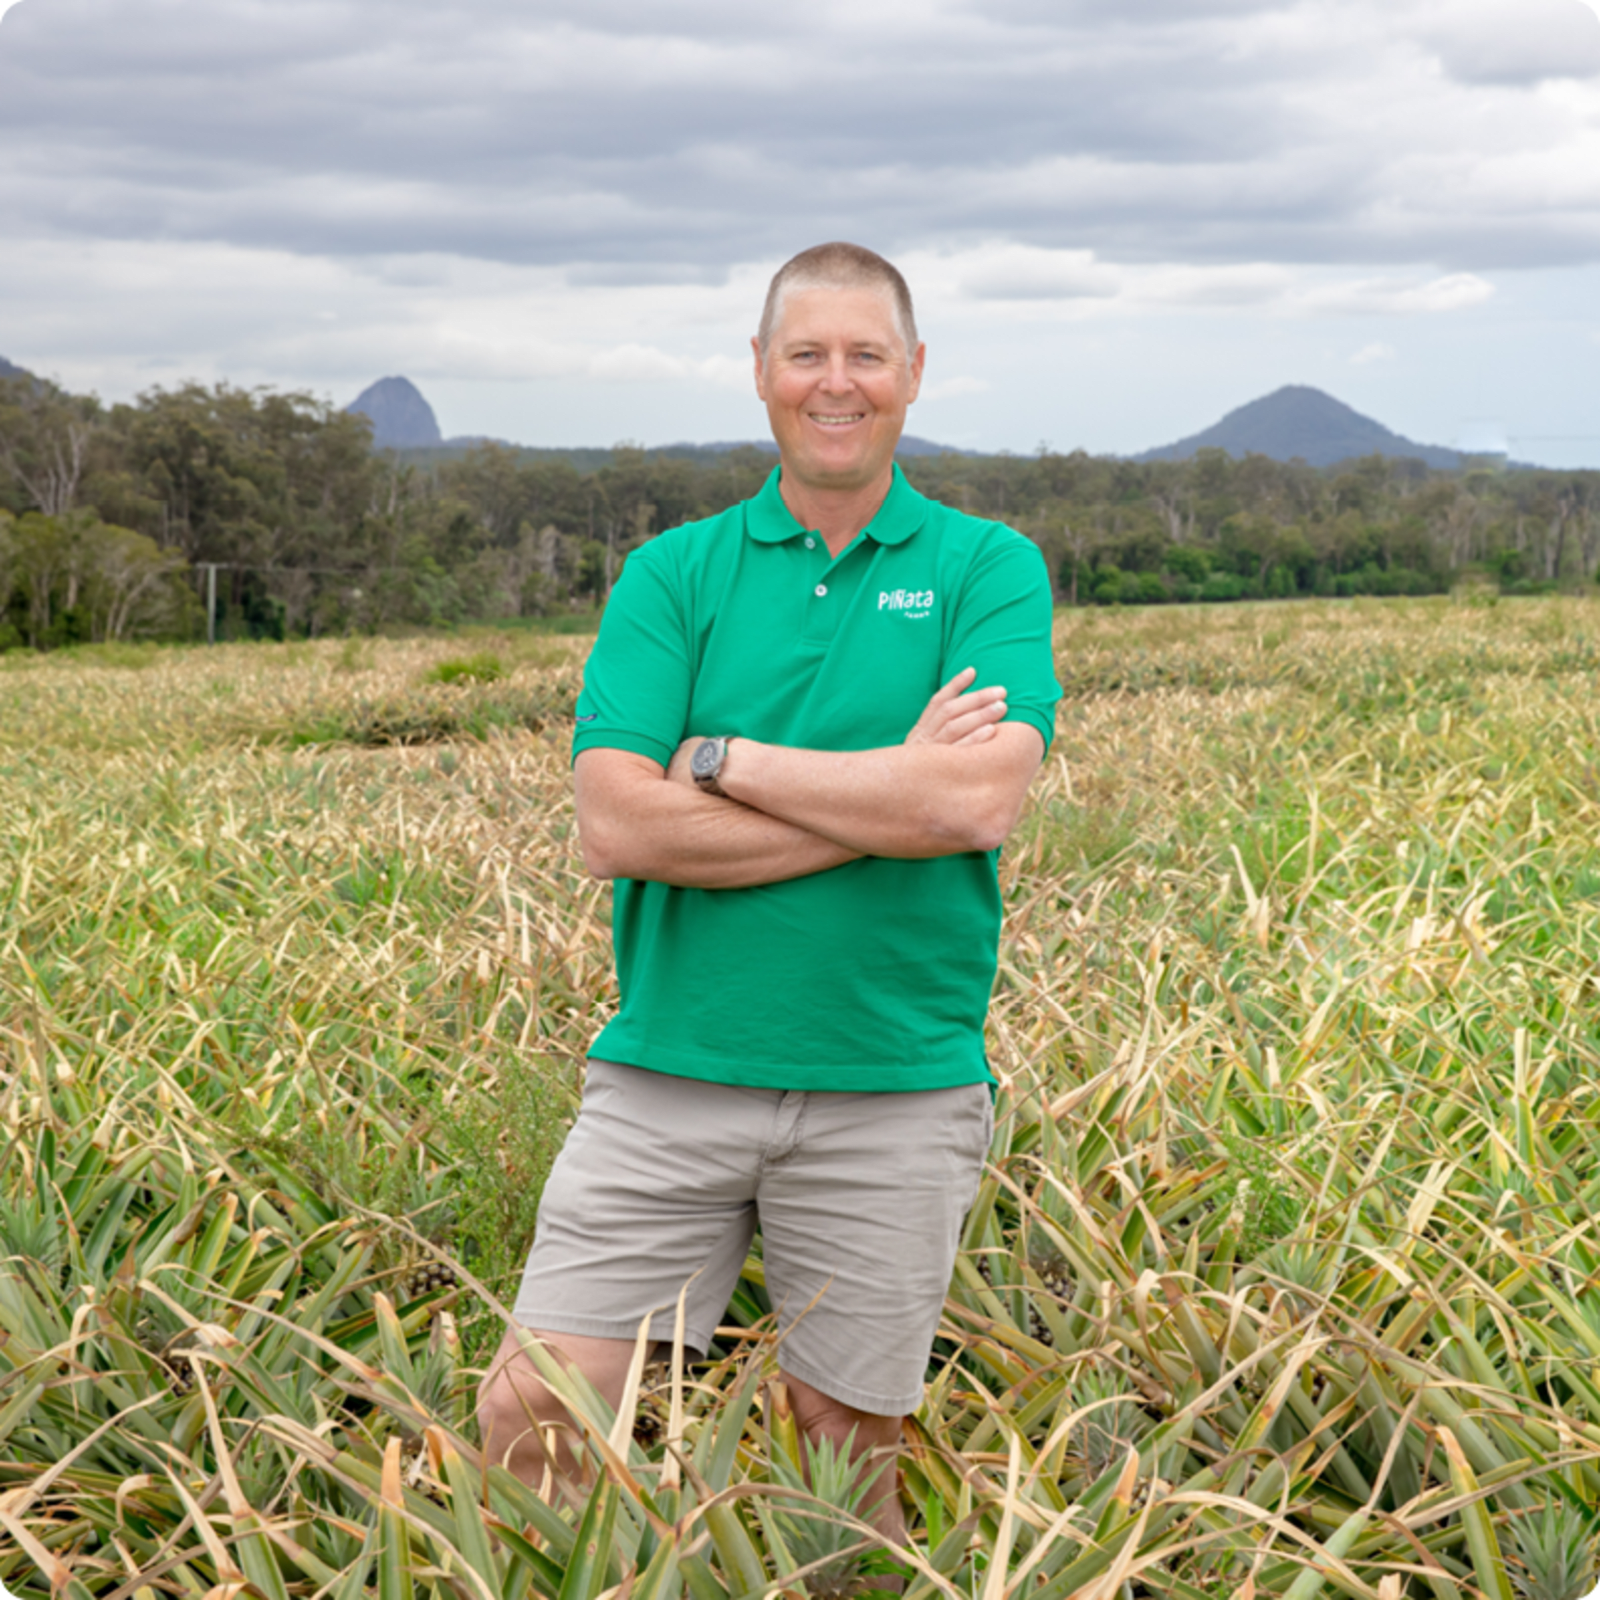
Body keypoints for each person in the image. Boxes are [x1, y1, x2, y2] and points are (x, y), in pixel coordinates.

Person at [477, 242, 1061, 1543]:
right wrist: (887, 798)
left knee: (847, 1455)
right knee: (535, 1409)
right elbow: (613, 825)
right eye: (806, 354)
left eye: (865, 354)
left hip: (894, 1086)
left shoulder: (985, 567)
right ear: (759, 373)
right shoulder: (675, 574)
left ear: (913, 374)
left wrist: (729, 762)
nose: (834, 382)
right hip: (669, 1074)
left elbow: (975, 803)